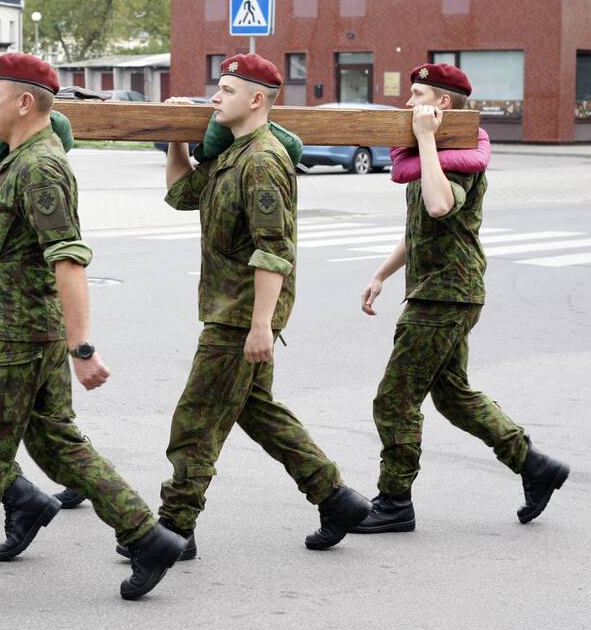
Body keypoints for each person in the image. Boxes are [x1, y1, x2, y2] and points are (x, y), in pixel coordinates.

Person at [0, 53, 186, 610]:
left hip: (17, 339)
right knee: (56, 446)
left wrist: (84, 348)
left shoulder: (41, 168)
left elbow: (69, 261)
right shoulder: (11, 159)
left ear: (24, 103)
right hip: (19, 332)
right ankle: (149, 537)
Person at [150, 53, 371, 558]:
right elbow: (183, 194)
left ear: (255, 100)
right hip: (231, 307)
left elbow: (275, 251)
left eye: (225, 90)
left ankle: (174, 526)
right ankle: (335, 497)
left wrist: (261, 326)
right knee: (257, 411)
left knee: (197, 418)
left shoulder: (264, 160)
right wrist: (179, 139)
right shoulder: (232, 154)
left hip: (240, 314)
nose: (214, 97)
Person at [351, 63, 569, 533]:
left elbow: (439, 205)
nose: (408, 104)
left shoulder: (458, 153)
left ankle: (394, 502)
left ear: (442, 104)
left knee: (394, 400)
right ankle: (536, 467)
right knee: (451, 394)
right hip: (444, 290)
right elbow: (419, 228)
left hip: (445, 295)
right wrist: (382, 274)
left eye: (417, 94)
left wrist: (426, 141)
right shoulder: (436, 156)